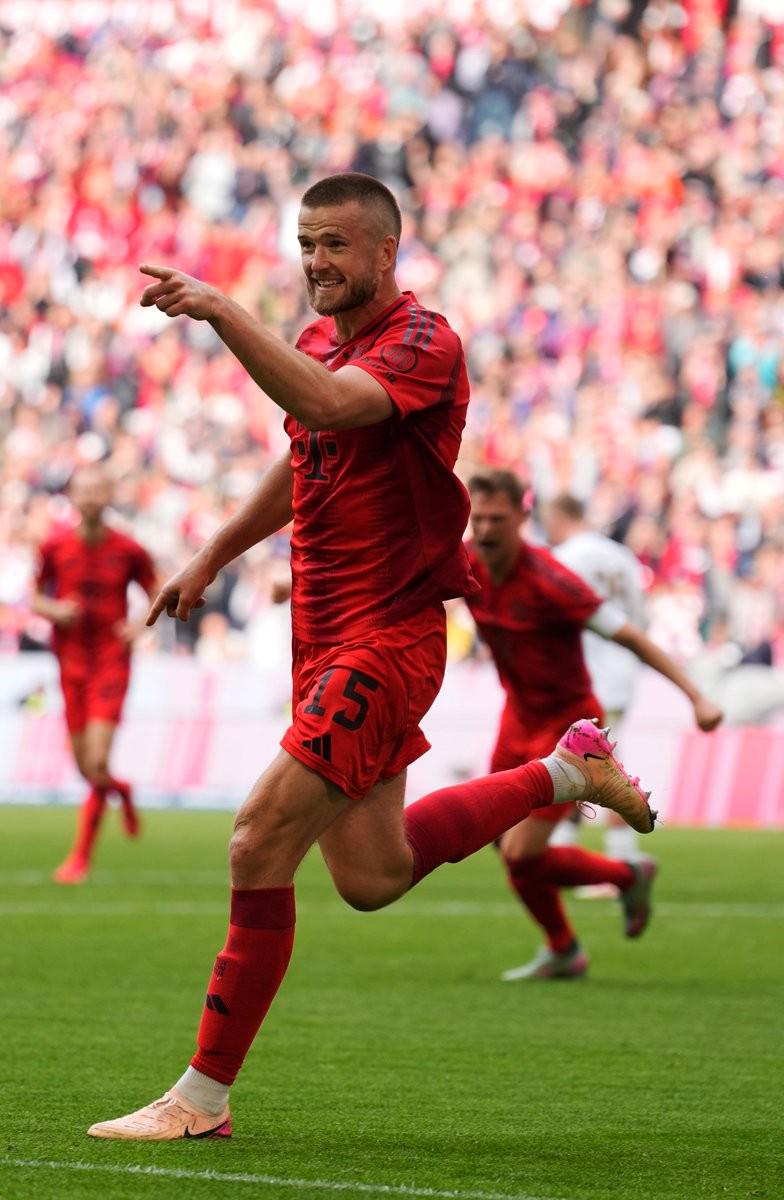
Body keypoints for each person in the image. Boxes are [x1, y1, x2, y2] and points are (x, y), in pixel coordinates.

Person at [86, 173, 655, 1142]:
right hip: (321, 638)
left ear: (386, 252)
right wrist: (214, 554)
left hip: (386, 636)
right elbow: (302, 449)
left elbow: (330, 405)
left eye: (336, 245)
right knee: (373, 876)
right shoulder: (317, 342)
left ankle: (200, 1100)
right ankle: (566, 773)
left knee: (257, 841)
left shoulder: (424, 343)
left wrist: (220, 310)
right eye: (307, 244)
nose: (317, 262)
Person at [463, 470, 723, 981]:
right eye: (479, 519)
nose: (487, 530)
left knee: (521, 852)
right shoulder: (466, 563)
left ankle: (619, 881)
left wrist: (697, 696)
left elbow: (632, 638)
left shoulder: (553, 582)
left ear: (523, 518)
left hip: (567, 729)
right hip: (517, 719)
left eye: (498, 519)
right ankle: (570, 941)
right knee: (501, 842)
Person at [32, 465, 157, 884]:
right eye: (82, 490)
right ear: (72, 496)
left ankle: (80, 857)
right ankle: (121, 790)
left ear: (108, 495)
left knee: (98, 759)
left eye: (96, 490)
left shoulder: (129, 549)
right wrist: (54, 610)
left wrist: (138, 626)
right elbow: (35, 597)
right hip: (70, 664)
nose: (89, 497)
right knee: (86, 768)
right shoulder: (53, 546)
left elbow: (157, 594)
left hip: (110, 661)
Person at [543, 492, 648, 885]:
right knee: (588, 765)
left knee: (594, 770)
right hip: (621, 673)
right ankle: (569, 859)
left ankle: (622, 863)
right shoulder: (621, 557)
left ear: (558, 517)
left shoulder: (565, 558)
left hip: (584, 675)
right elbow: (639, 617)